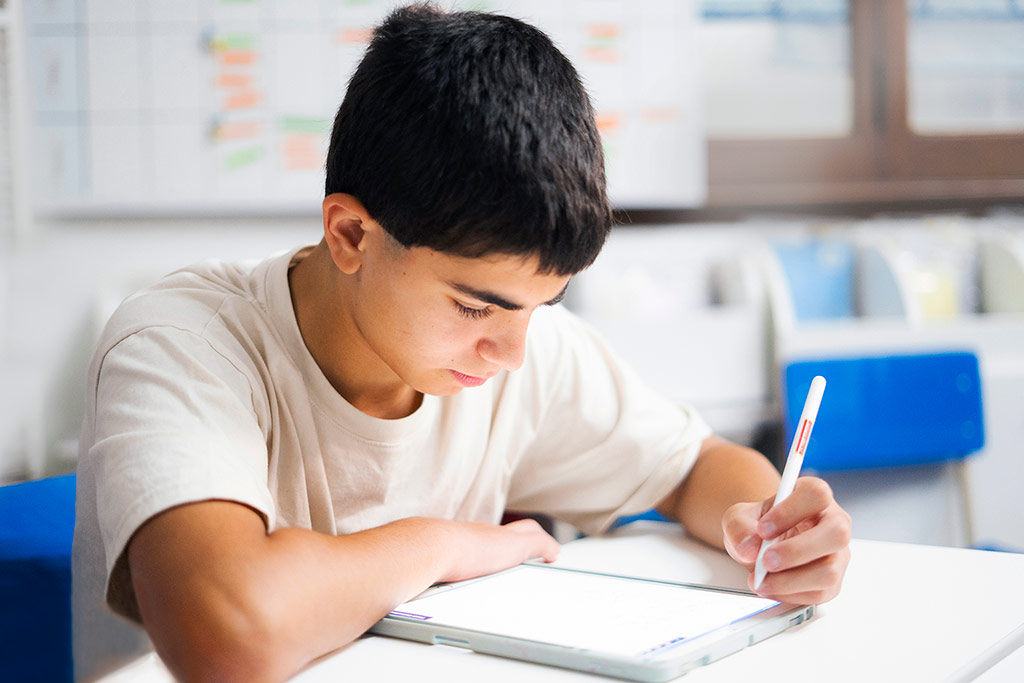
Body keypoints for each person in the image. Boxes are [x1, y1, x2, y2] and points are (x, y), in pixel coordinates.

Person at [72, 4, 851, 682]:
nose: (510, 353)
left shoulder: (520, 352)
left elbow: (693, 468)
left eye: (541, 308)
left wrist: (769, 523)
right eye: (477, 308)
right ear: (351, 234)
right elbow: (228, 636)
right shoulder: (182, 343)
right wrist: (446, 545)